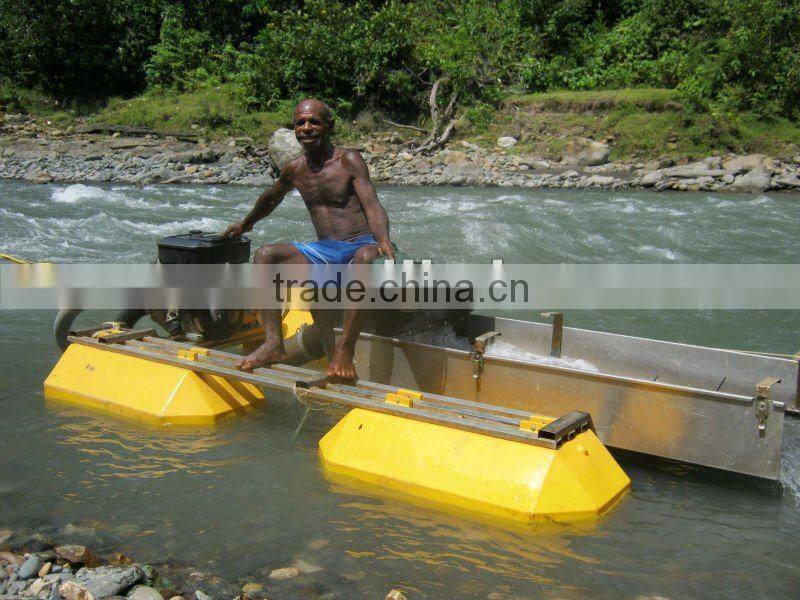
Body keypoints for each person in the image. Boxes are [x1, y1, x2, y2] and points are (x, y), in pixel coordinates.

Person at [222, 98, 395, 380]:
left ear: (329, 125)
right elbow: (270, 199)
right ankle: (273, 343)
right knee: (266, 255)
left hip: (361, 243)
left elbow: (372, 204)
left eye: (313, 121)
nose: (306, 128)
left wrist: (382, 238)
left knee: (365, 258)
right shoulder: (295, 169)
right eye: (300, 123)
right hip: (326, 250)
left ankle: (344, 351)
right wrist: (245, 224)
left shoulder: (348, 160)